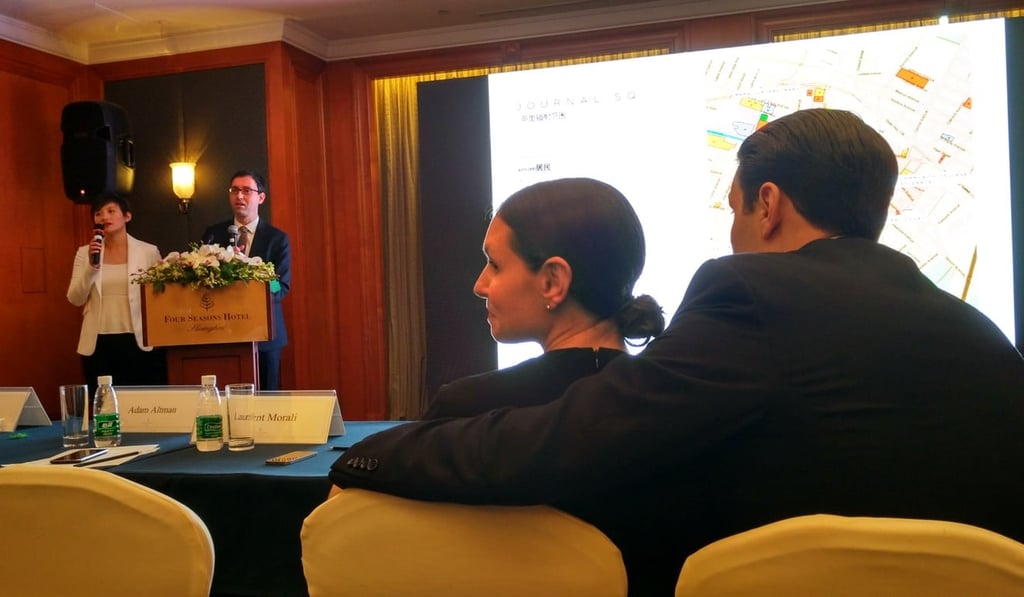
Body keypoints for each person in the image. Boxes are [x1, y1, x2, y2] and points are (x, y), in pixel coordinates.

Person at [328, 109, 1024, 596]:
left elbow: (570, 437)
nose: (732, 233)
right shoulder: (976, 329)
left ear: (769, 204)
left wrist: (378, 451)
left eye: (733, 208)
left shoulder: (749, 290)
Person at [423, 177, 664, 419]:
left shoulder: (466, 409)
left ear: (553, 282)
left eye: (495, 265)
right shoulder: (668, 408)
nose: (479, 286)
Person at [67, 196, 167, 395]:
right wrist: (91, 267)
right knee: (104, 408)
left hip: (137, 340)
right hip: (98, 343)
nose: (104, 216)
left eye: (111, 211)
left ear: (127, 216)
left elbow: (159, 298)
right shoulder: (85, 253)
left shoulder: (148, 251)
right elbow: (75, 298)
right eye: (98, 213)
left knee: (140, 404)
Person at [202, 169, 291, 391]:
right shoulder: (213, 235)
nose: (239, 196)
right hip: (223, 332)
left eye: (246, 191)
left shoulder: (277, 239)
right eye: (234, 190)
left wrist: (254, 272)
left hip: (265, 336)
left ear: (260, 197)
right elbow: (202, 283)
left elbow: (280, 287)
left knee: (267, 400)